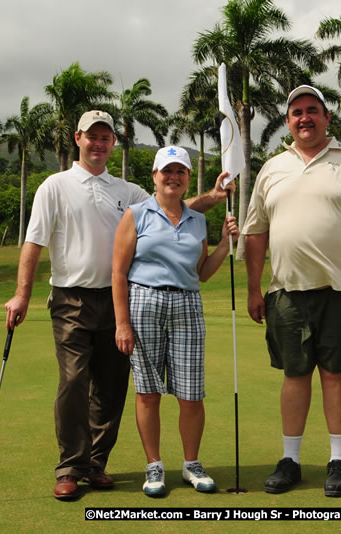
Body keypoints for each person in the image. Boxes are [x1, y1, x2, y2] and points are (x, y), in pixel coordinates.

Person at [4, 112, 233, 501]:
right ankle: (70, 467)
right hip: (71, 297)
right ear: (78, 138)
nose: (98, 143)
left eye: (105, 137)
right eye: (91, 136)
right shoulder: (55, 186)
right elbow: (34, 242)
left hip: (117, 299)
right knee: (75, 381)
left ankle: (95, 464)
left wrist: (212, 198)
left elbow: (168, 208)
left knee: (111, 387)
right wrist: (21, 294)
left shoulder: (127, 191)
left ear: (114, 143)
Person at [243, 85, 341, 498]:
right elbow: (256, 232)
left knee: (333, 373)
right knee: (294, 375)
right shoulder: (273, 168)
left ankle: (339, 460)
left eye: (313, 110)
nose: (304, 118)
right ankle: (290, 460)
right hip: (286, 292)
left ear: (327, 118)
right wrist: (255, 288)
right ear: (287, 122)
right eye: (296, 113)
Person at [111, 146, 239, 497]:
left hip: (186, 305)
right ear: (154, 176)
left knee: (191, 394)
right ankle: (154, 466)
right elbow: (118, 273)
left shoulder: (198, 221)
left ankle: (191, 463)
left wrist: (225, 246)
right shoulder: (136, 215)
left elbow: (201, 274)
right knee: (148, 393)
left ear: (186, 179)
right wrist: (122, 324)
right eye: (166, 171)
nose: (173, 177)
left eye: (180, 171)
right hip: (143, 303)